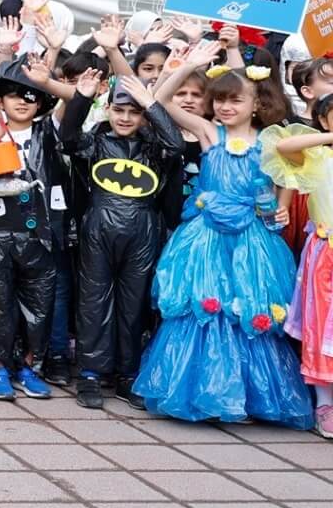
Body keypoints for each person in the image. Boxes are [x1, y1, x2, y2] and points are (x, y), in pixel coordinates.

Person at [134, 42, 313, 428]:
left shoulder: (270, 140)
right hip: (207, 236)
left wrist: (281, 206)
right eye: (220, 101)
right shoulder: (208, 133)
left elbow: (286, 180)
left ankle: (248, 397)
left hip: (253, 237)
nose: (226, 108)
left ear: (255, 105)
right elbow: (159, 100)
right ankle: (204, 393)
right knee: (204, 306)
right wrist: (190, 66)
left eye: (235, 101)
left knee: (250, 307)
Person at [60, 69, 180, 409]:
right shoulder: (94, 142)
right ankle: (90, 373)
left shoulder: (153, 149)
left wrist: (151, 103)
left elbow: (176, 144)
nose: (126, 117)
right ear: (109, 109)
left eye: (134, 111)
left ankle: (128, 373)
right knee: (93, 300)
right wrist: (81, 99)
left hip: (142, 229)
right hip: (98, 227)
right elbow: (68, 137)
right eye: (119, 109)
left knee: (134, 303)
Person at [0, 54, 68, 402]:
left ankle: (29, 366)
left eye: (31, 95)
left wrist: (48, 72)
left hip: (40, 234)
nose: (23, 101)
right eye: (14, 94)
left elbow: (74, 104)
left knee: (39, 304)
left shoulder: (49, 130)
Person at [266, 93, 333, 437]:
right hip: (326, 256)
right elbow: (284, 146)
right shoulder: (318, 157)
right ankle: (325, 402)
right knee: (323, 328)